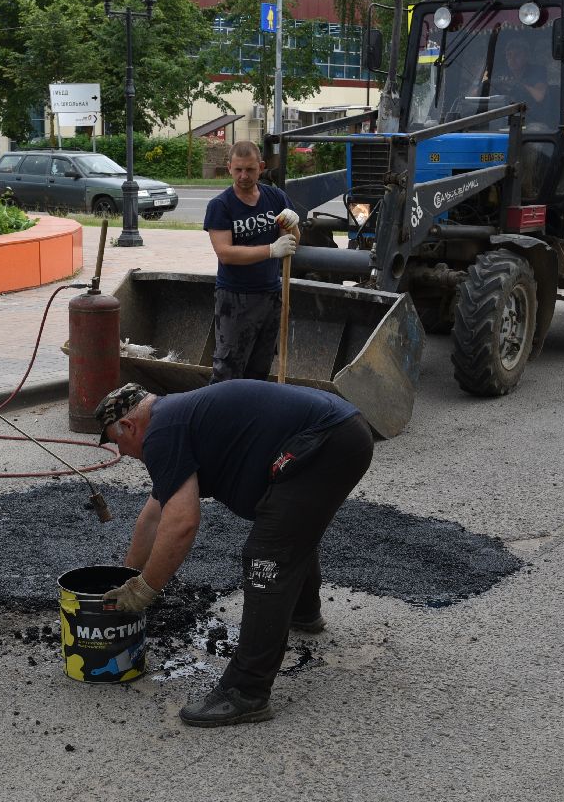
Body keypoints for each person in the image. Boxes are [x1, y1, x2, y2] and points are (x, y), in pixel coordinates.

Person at [93, 379, 375, 727]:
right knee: (287, 527)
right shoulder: (175, 418)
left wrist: (145, 588)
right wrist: (127, 575)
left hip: (325, 441)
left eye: (117, 441)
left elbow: (182, 522)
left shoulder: (162, 431)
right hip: (339, 431)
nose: (122, 452)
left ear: (128, 425)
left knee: (266, 556)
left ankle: (246, 691)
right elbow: (155, 513)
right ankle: (303, 612)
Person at [202, 141, 300, 383]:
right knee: (227, 369)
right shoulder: (220, 206)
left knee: (260, 368)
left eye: (250, 169)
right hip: (235, 298)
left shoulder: (276, 198)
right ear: (229, 168)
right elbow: (224, 252)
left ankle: (251, 416)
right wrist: (270, 250)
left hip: (270, 296)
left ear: (261, 168)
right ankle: (221, 416)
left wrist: (293, 226)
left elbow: (292, 242)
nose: (244, 176)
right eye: (238, 170)